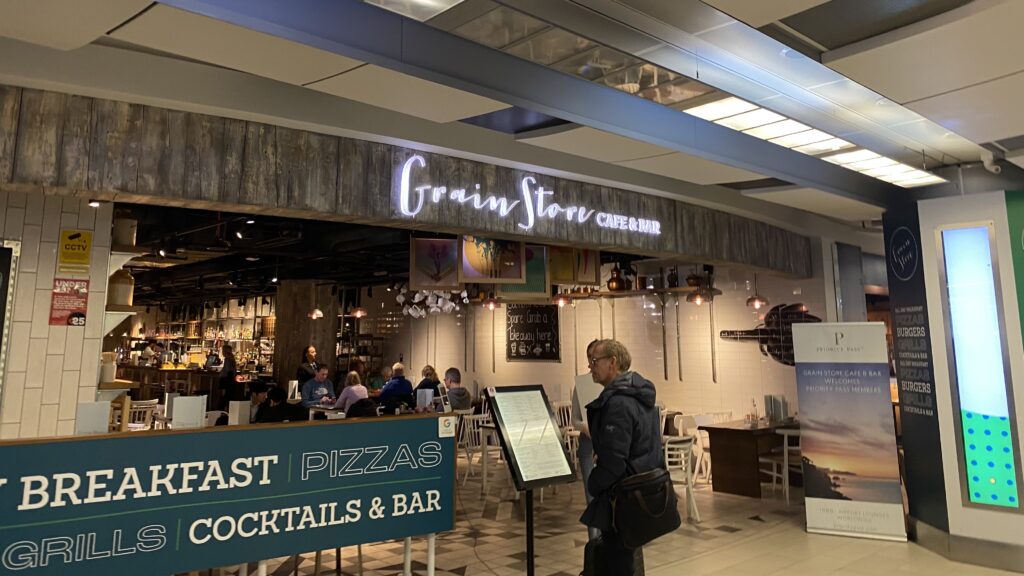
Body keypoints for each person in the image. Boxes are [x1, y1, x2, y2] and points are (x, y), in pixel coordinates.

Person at [581, 339, 661, 575]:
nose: (591, 367)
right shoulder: (638, 394)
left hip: (622, 498)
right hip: (642, 492)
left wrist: (593, 483)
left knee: (618, 563)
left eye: (595, 361)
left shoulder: (618, 403)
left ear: (612, 362)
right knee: (627, 559)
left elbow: (614, 461)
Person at [572, 340, 604, 540]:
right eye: (591, 358)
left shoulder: (611, 383)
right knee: (591, 494)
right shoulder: (582, 385)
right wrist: (587, 428)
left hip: (607, 444)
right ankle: (594, 542)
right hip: (588, 442)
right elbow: (575, 419)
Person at [218, 344, 238, 409]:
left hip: (226, 381)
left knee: (224, 397)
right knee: (228, 398)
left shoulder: (227, 359)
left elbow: (227, 370)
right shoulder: (231, 359)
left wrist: (221, 372)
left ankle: (221, 410)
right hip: (230, 381)